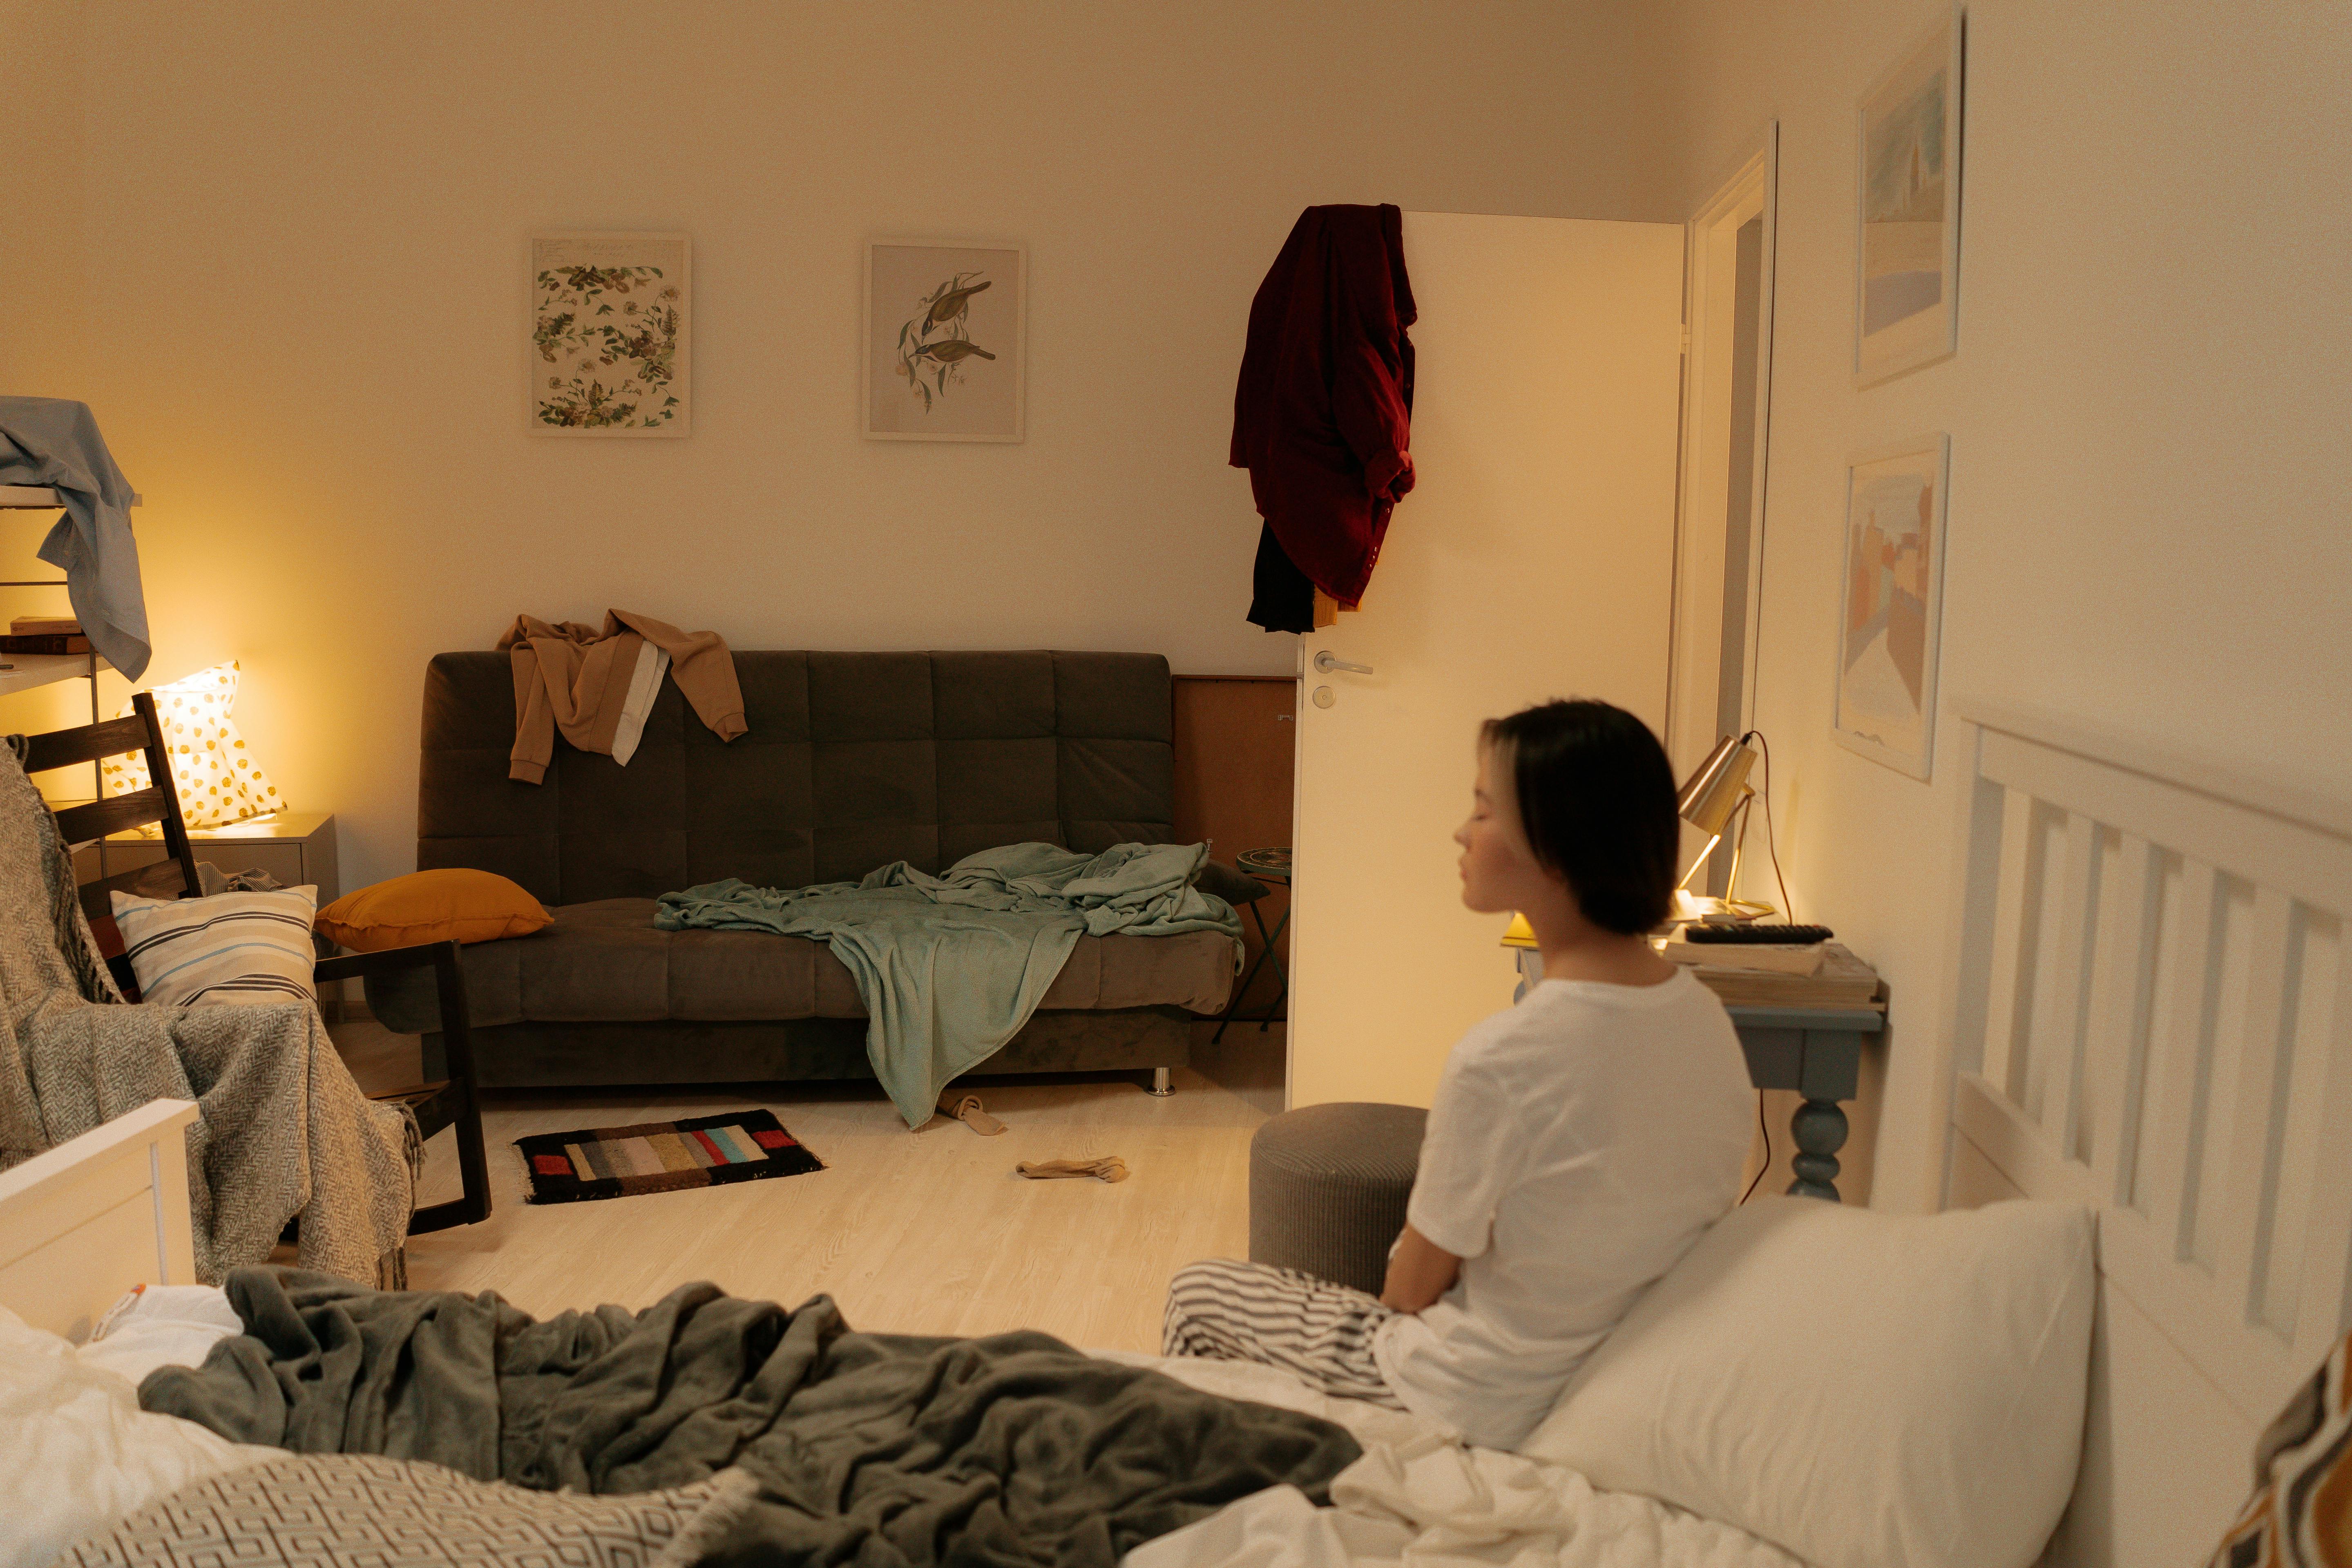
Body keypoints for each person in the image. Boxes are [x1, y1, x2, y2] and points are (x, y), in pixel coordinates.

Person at [1162, 699, 1755, 1449]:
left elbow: (1409, 1293)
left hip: (1471, 1394)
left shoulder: (1506, 1055)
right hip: (1613, 1375)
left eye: (1481, 809)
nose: (1460, 831)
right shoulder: (1704, 1021)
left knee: (1199, 1293)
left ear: (1553, 847)